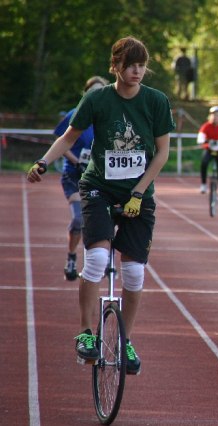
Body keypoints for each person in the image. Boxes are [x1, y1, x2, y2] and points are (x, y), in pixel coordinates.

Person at [27, 36, 175, 375]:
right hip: (98, 188)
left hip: (138, 193)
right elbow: (69, 136)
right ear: (115, 66)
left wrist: (138, 193)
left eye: (141, 65)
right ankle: (85, 332)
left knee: (134, 272)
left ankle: (126, 340)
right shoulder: (97, 99)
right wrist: (43, 162)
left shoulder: (156, 101)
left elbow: (163, 152)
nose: (137, 71)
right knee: (96, 259)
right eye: (130, 65)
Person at [55, 76, 109, 281]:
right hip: (74, 175)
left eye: (101, 91)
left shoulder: (109, 116)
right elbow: (61, 142)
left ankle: (103, 259)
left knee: (105, 220)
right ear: (85, 93)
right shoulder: (75, 114)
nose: (96, 95)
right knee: (79, 219)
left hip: (100, 177)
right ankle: (71, 257)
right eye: (92, 91)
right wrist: (77, 162)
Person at [197, 105, 218, 207]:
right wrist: (206, 141)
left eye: (217, 115)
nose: (215, 117)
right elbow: (200, 138)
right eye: (213, 115)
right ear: (210, 116)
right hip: (209, 150)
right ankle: (203, 184)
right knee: (204, 163)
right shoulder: (206, 126)